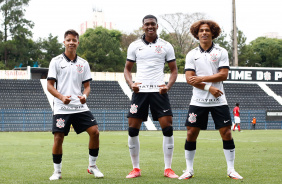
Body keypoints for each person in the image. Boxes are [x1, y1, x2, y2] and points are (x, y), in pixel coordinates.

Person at [178, 20, 243, 180]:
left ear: (213, 33)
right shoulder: (192, 54)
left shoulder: (221, 52)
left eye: (207, 30)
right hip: (198, 100)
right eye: (201, 30)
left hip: (219, 101)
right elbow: (189, 79)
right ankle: (189, 170)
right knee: (191, 133)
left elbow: (223, 75)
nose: (204, 33)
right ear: (197, 33)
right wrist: (209, 87)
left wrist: (201, 78)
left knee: (227, 132)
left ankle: (231, 170)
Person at [124, 15, 179, 179]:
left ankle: (168, 169)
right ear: (143, 27)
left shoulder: (166, 46)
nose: (150, 27)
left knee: (167, 128)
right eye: (147, 24)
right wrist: (131, 84)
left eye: (153, 24)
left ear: (157, 26)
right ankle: (136, 169)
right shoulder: (134, 46)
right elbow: (127, 69)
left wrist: (167, 87)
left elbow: (174, 70)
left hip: (159, 91)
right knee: (133, 130)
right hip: (139, 92)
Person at [47, 29, 104, 180]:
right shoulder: (56, 61)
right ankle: (57, 172)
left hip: (79, 106)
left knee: (95, 132)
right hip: (61, 107)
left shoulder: (83, 63)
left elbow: (87, 86)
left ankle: (92, 166)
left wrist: (85, 96)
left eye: (74, 40)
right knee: (58, 137)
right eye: (68, 40)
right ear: (64, 42)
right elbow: (50, 85)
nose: (71, 42)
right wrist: (60, 96)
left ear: (78, 43)